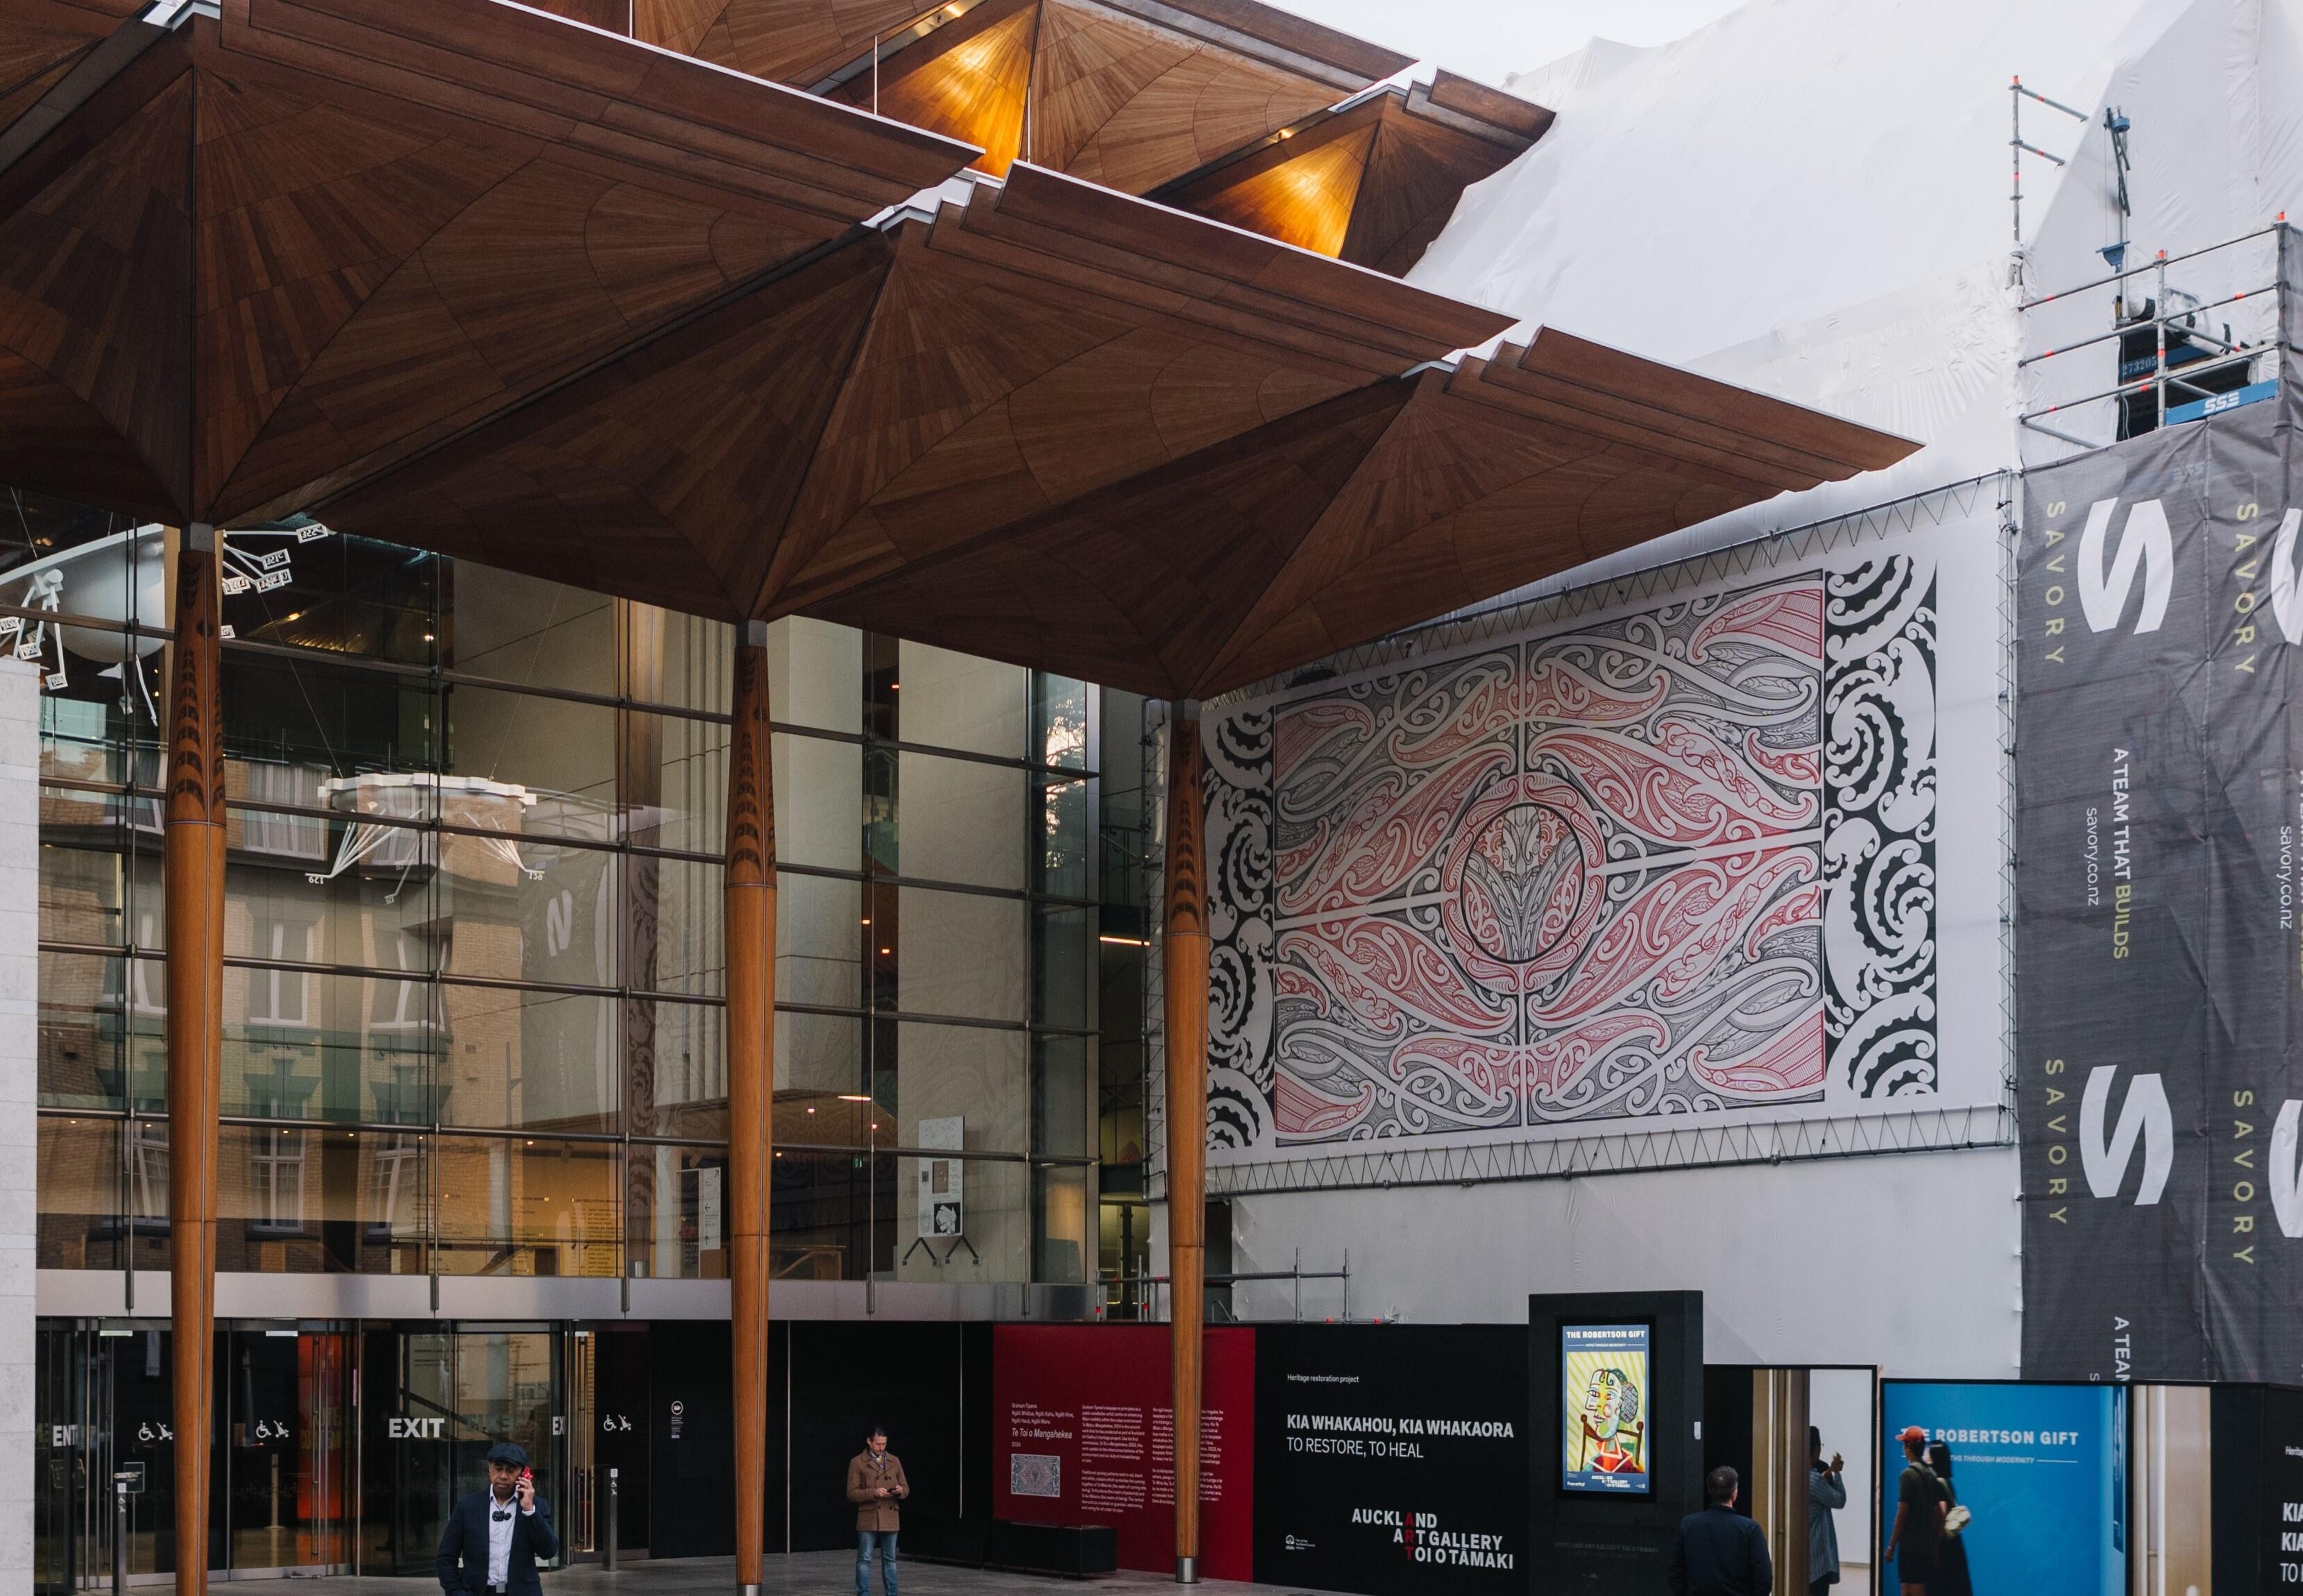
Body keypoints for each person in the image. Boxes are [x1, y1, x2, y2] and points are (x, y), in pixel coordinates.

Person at [436, 1441, 559, 1596]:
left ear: (522, 1473)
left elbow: (549, 1551)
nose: (503, 1476)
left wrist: (529, 1512)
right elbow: (446, 1557)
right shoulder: (467, 1507)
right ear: (489, 1469)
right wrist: (456, 1592)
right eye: (498, 1469)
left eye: (510, 1470)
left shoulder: (537, 1507)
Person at [1669, 1464, 1775, 1596]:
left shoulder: (1688, 1525)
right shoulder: (1750, 1529)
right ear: (1734, 1493)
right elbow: (1764, 1578)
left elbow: (1676, 1573)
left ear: (1710, 1491)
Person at [847, 1425, 909, 1596]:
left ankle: (892, 1593)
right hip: (869, 1516)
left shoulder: (894, 1461)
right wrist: (874, 1492)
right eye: (878, 1444)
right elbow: (852, 1493)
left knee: (890, 1559)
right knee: (865, 1558)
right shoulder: (858, 1462)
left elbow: (906, 1488)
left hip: (890, 1515)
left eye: (884, 1444)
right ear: (869, 1441)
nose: (881, 1448)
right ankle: (863, 1593)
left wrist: (899, 1491)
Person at [1885, 1426, 1946, 1596]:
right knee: (1920, 1587)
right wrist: (1934, 1544)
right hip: (1926, 1545)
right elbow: (1939, 1513)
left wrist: (1891, 1546)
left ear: (1908, 1447)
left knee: (1908, 1588)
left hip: (1910, 1545)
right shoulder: (1931, 1475)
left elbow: (1902, 1514)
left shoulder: (1907, 1475)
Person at [1925, 1442, 1973, 1596]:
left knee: (1941, 1586)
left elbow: (1941, 1514)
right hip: (1953, 1545)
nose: (1924, 1455)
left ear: (1933, 1458)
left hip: (1943, 1546)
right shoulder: (1946, 1481)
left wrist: (1935, 1549)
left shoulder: (1937, 1482)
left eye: (1927, 1452)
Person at [1808, 1425, 1846, 1596]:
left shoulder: (1794, 1475)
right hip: (1818, 1561)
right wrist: (1837, 1473)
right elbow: (1839, 1500)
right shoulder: (1814, 1479)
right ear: (1816, 1449)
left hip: (1802, 1558)